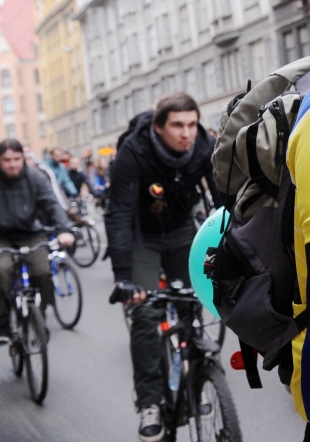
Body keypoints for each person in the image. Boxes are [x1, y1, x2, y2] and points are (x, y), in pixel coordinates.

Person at [105, 92, 219, 442]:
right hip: (144, 236)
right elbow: (119, 214)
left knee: (196, 297)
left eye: (191, 124)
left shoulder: (204, 146)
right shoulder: (134, 152)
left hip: (184, 229)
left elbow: (223, 199)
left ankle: (197, 378)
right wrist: (124, 278)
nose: (186, 133)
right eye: (177, 125)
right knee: (143, 312)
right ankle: (150, 402)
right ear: (159, 127)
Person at [0, 139, 75, 345]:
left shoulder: (35, 177)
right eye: (7, 160)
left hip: (30, 233)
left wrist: (63, 230)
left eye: (17, 159)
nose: (13, 164)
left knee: (42, 271)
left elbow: (52, 204)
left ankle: (38, 318)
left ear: (23, 158)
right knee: (1, 271)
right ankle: (2, 326)